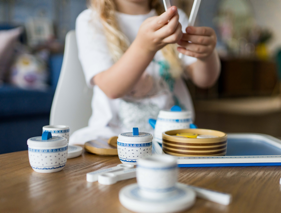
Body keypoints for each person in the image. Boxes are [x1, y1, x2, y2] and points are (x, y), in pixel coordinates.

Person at [70, 0, 220, 144]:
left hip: (174, 138)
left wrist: (206, 56)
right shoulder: (91, 20)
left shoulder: (176, 18)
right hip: (113, 140)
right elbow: (111, 88)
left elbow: (204, 80)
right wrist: (144, 47)